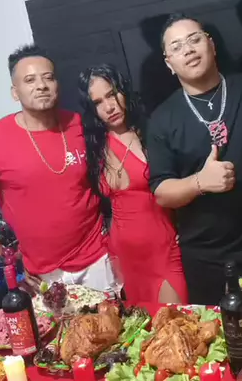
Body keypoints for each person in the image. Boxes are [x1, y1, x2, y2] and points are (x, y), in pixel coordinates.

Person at [146, 13, 242, 308]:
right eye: (177, 47)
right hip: (205, 260)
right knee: (218, 334)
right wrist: (200, 182)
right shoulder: (162, 119)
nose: (188, 50)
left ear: (212, 45)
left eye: (194, 39)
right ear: (169, 63)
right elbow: (162, 192)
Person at [0, 44, 112, 292]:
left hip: (99, 259)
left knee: (115, 318)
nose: (41, 86)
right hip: (41, 275)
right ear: (15, 92)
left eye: (48, 78)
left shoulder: (80, 125)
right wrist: (2, 261)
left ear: (57, 85)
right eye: (30, 80)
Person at [78, 63, 188, 304]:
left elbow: (180, 182)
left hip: (163, 250)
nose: (109, 107)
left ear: (124, 91)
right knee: (141, 325)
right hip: (123, 256)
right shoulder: (95, 146)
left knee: (176, 320)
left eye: (112, 94)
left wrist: (187, 227)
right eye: (98, 102)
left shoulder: (150, 133)